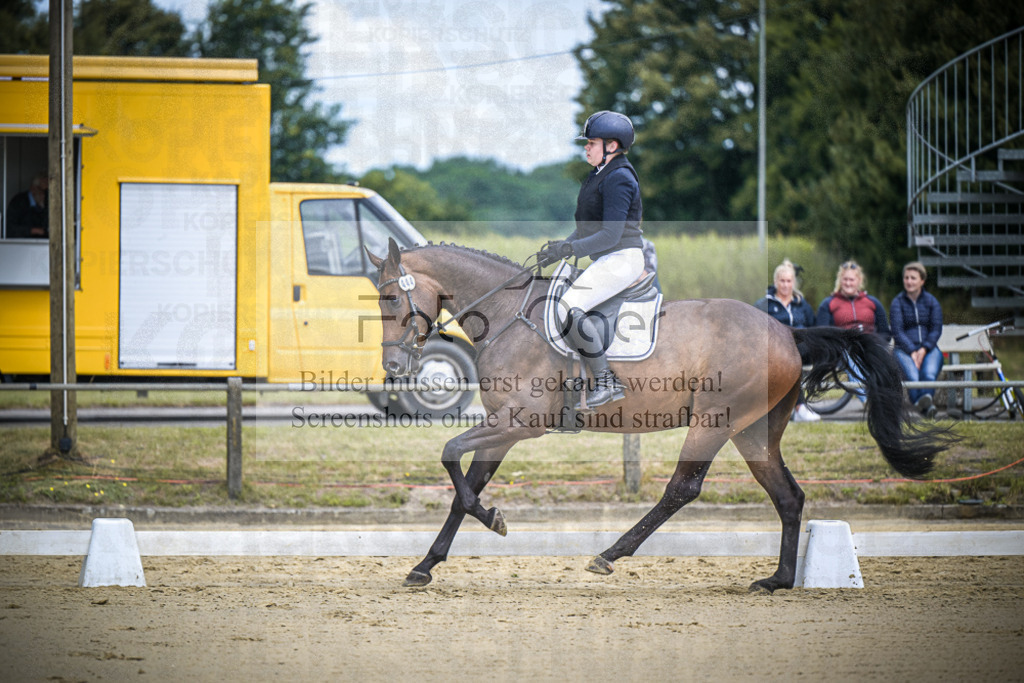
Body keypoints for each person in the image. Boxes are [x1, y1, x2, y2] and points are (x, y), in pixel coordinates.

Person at [536, 110, 644, 410]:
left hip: (622, 257)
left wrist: (570, 251)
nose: (586, 147)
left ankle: (606, 381)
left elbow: (610, 235)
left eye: (592, 142)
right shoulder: (600, 175)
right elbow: (587, 228)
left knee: (568, 308)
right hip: (608, 257)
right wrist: (560, 247)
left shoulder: (619, 177)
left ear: (612, 145)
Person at [816, 260, 890, 403]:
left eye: (851, 279)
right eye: (845, 279)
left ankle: (884, 400)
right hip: (843, 349)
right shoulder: (829, 303)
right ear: (840, 280)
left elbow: (885, 332)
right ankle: (868, 401)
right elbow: (822, 333)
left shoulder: (872, 302)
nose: (848, 283)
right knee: (851, 357)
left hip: (870, 345)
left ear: (859, 281)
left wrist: (877, 345)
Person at [755, 259, 819, 422]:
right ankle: (799, 407)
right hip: (775, 350)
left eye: (788, 281)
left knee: (792, 357)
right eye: (782, 281)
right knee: (788, 359)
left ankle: (793, 408)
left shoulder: (802, 304)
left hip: (802, 348)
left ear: (793, 283)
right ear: (775, 282)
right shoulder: (764, 305)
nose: (785, 285)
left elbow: (813, 327)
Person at [890, 261, 943, 418]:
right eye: (906, 278)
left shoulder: (932, 302)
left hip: (929, 349)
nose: (909, 281)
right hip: (903, 350)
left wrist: (924, 349)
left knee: (929, 374)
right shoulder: (897, 303)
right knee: (912, 376)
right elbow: (897, 331)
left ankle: (923, 405)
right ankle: (927, 407)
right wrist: (912, 351)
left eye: (913, 278)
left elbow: (936, 329)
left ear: (922, 281)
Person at [6, 173, 49, 239]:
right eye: (42, 191)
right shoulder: (18, 202)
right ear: (33, 189)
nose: (44, 195)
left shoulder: (48, 202)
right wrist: (33, 231)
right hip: (21, 245)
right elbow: (10, 229)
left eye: (47, 191)